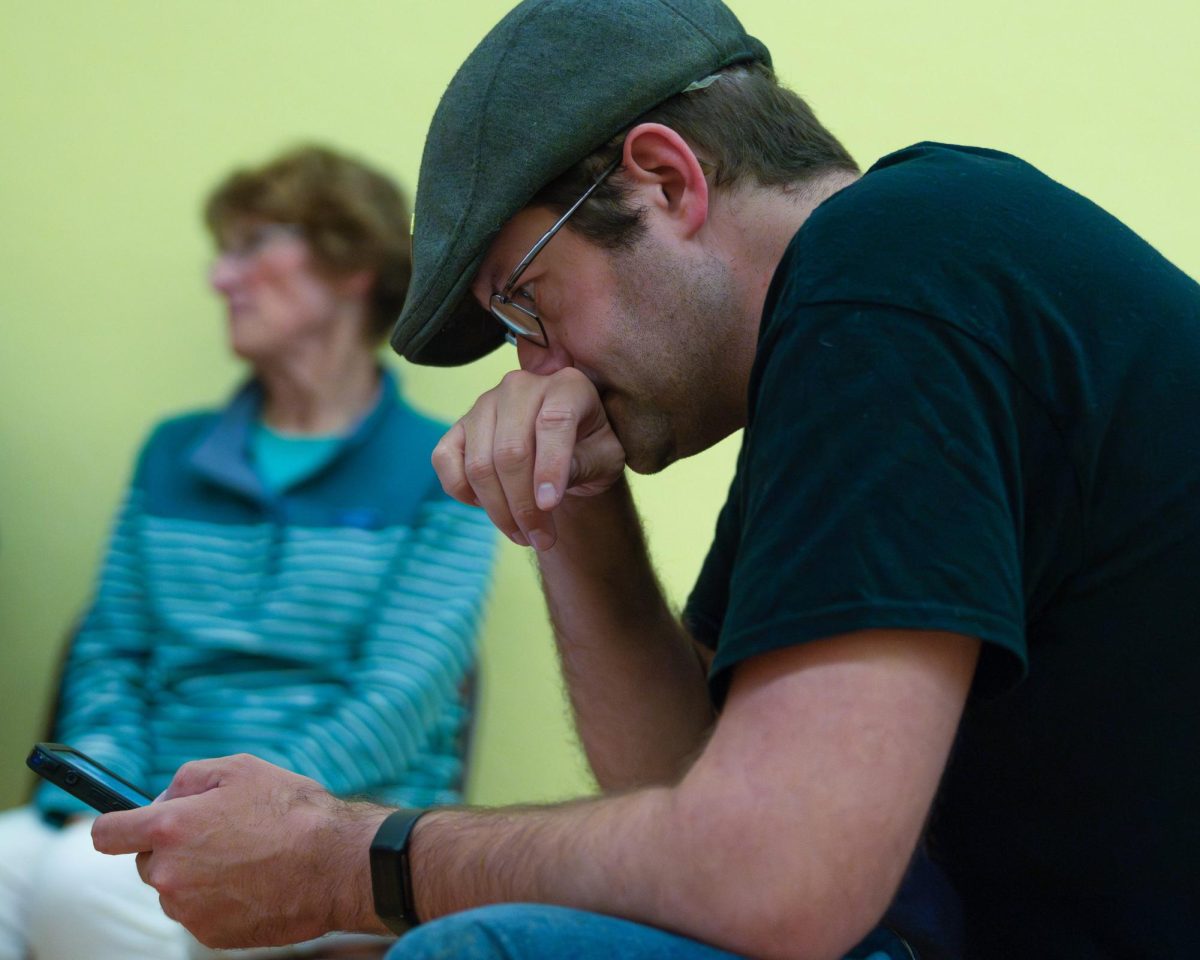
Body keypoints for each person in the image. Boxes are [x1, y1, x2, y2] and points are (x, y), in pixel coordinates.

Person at [90, 1, 1200, 958]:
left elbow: (776, 875)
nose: (536, 370)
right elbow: (690, 798)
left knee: (493, 947)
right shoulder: (855, 322)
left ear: (666, 179)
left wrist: (350, 863)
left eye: (526, 304)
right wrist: (567, 501)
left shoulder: (894, 278)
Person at [0, 144, 496, 960]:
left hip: (334, 834)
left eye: (252, 245)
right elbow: (110, 653)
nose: (219, 279)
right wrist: (112, 803)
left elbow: (395, 707)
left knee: (83, 889)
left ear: (351, 268)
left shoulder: (440, 470)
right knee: (25, 863)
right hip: (145, 803)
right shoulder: (171, 454)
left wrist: (225, 821)